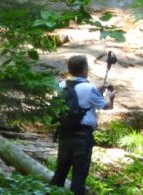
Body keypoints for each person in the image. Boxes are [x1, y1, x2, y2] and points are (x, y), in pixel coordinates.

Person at [50, 55, 115, 194]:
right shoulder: (89, 88)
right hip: (82, 138)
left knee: (60, 173)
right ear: (85, 69)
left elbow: (77, 98)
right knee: (79, 177)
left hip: (64, 135)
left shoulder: (61, 85)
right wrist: (110, 97)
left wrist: (97, 90)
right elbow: (106, 106)